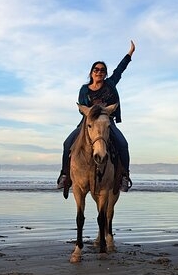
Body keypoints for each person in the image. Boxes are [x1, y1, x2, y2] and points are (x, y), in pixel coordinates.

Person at [58, 40, 136, 193]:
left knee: (123, 144)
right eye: (96, 69)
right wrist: (90, 111)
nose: (99, 72)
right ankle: (65, 175)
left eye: (102, 70)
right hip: (88, 122)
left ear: (105, 73)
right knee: (67, 144)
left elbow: (120, 70)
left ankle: (125, 176)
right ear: (91, 72)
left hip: (107, 122)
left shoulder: (110, 84)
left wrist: (130, 53)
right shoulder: (84, 89)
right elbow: (82, 108)